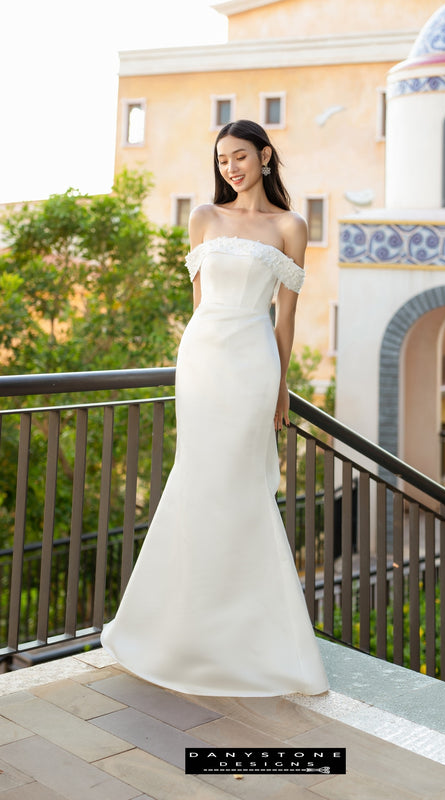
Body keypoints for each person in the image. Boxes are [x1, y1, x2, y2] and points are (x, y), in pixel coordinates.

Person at [101, 119, 329, 697]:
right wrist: (193, 360)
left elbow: (286, 318)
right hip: (202, 361)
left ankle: (249, 636)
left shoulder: (289, 226)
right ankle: (180, 629)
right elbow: (198, 306)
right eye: (222, 158)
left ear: (265, 156)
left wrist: (279, 387)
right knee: (197, 482)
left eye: (240, 156)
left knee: (243, 486)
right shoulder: (203, 217)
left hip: (253, 364)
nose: (230, 166)